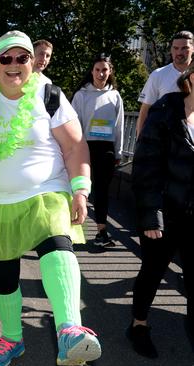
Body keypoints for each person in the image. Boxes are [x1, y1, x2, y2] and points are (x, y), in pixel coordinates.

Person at [0, 30, 101, 366]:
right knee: (2, 278)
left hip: (45, 190)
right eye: (7, 58)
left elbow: (75, 146)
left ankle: (69, 329)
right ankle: (12, 338)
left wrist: (80, 190)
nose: (15, 65)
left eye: (23, 58)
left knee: (55, 246)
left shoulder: (49, 93)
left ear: (32, 62)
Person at [129, 63, 194, 359]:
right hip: (165, 213)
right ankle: (139, 324)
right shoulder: (166, 108)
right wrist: (150, 213)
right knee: (153, 271)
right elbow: (146, 164)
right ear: (190, 76)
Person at [71, 54, 124, 248]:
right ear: (91, 71)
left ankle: (102, 231)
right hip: (84, 147)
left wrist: (118, 153)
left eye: (105, 70)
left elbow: (119, 126)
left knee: (102, 192)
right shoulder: (81, 95)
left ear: (110, 72)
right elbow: (73, 125)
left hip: (106, 150)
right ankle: (70, 229)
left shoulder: (115, 96)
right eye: (97, 70)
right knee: (78, 189)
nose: (101, 74)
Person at [136, 30, 193, 137]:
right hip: (164, 142)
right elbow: (144, 111)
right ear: (171, 49)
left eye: (184, 48)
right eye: (175, 48)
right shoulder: (158, 75)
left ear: (193, 49)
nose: (179, 52)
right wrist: (140, 144)